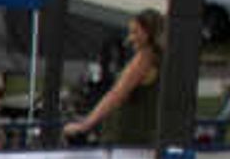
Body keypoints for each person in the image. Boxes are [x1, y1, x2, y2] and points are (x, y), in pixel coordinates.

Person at [60, 8, 165, 149]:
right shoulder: (159, 58)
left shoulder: (144, 59)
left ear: (148, 33)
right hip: (142, 137)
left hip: (127, 137)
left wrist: (85, 125)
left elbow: (115, 95)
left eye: (135, 32)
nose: (130, 38)